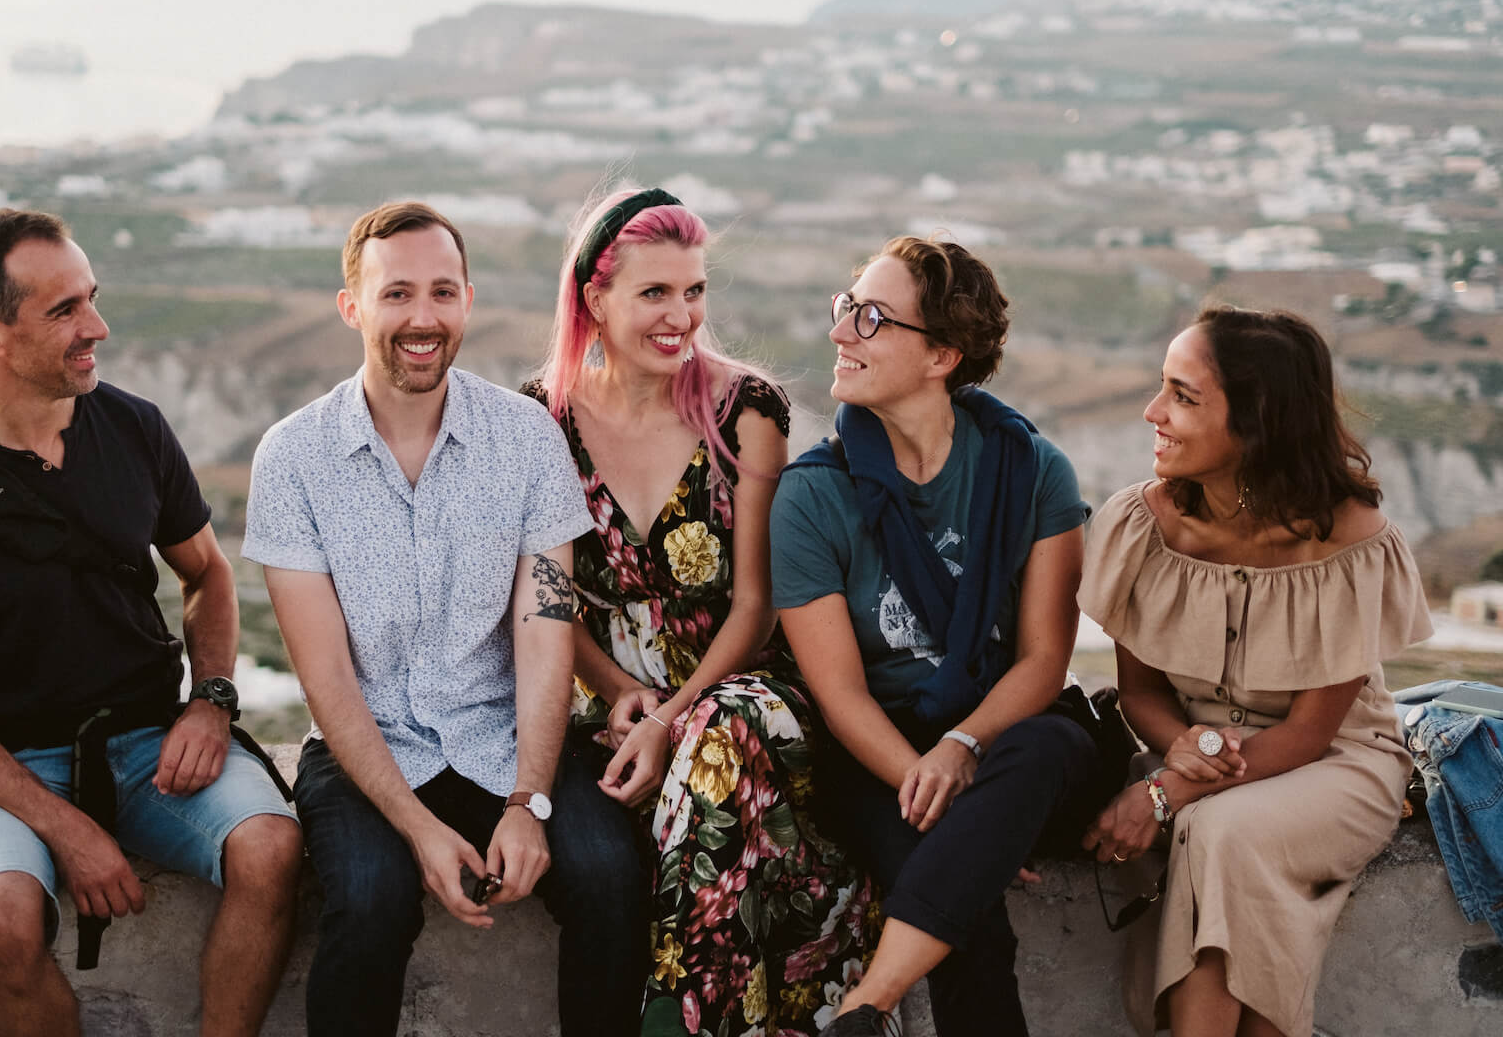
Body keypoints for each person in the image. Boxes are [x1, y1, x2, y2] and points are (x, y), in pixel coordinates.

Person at [0, 208, 302, 1037]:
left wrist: (210, 700)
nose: (96, 327)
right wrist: (63, 826)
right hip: (3, 758)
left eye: (90, 299)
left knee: (273, 849)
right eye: (62, 310)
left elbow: (206, 571)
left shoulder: (133, 427)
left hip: (146, 739)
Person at [242, 200, 649, 1037]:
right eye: (396, 295)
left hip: (506, 733)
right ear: (353, 307)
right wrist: (418, 829)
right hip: (369, 744)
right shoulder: (293, 458)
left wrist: (529, 801)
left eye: (441, 292)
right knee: (367, 897)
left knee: (611, 873)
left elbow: (546, 635)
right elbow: (327, 684)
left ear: (467, 299)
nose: (421, 318)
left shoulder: (527, 437)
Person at [524, 186, 878, 1036]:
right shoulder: (541, 418)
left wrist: (668, 720)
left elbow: (756, 608)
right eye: (654, 293)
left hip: (741, 695)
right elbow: (546, 596)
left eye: (694, 291)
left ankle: (674, 1020)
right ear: (594, 299)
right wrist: (616, 693)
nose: (680, 315)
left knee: (715, 742)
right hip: (604, 706)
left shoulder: (744, 411)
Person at [771, 235, 1102, 1037]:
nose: (841, 333)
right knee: (969, 917)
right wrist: (930, 777)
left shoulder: (1032, 472)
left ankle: (864, 1006)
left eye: (873, 318)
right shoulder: (813, 496)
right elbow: (841, 693)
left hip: (1006, 747)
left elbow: (1044, 660)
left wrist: (964, 747)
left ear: (942, 355)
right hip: (880, 760)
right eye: (846, 308)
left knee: (1046, 745)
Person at [1078, 305, 1432, 1037]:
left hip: (1338, 765)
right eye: (1162, 388)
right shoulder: (1140, 527)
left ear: (1258, 420)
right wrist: (1179, 754)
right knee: (1220, 832)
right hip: (1187, 753)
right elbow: (1139, 693)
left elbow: (1308, 735)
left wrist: (1169, 786)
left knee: (1222, 831)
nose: (1153, 413)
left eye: (1183, 396)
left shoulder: (1350, 539)